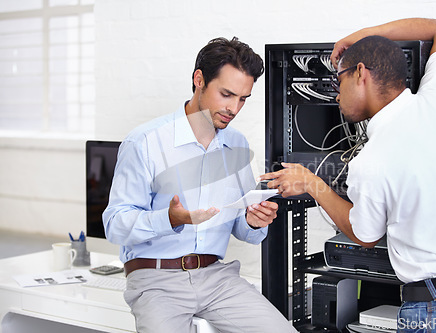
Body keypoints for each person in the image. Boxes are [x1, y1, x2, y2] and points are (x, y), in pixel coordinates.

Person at [259, 18, 436, 332]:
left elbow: (365, 235)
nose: (336, 95)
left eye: (338, 82)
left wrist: (312, 183)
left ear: (361, 73)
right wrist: (364, 35)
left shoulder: (372, 158)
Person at [103, 37, 297, 333]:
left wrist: (254, 221)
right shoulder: (145, 142)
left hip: (217, 278)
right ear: (199, 80)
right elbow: (115, 225)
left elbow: (245, 231)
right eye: (227, 94)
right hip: (156, 281)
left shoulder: (237, 145)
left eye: (243, 99)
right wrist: (169, 219)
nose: (234, 108)